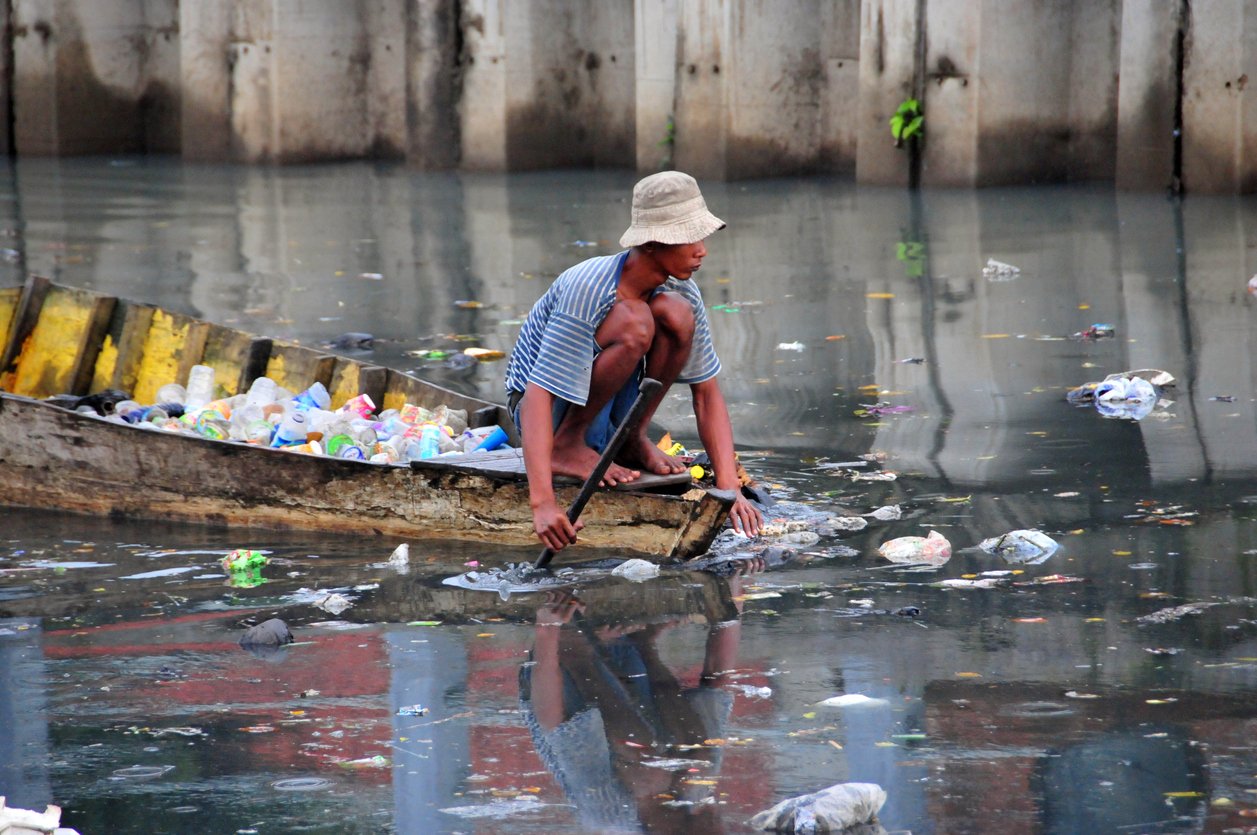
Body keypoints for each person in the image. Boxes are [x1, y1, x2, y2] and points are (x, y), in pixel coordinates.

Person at [504, 171, 763, 551]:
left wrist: (728, 490)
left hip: (605, 411)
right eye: (689, 238)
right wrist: (542, 503)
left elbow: (706, 393)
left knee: (674, 314)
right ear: (654, 243)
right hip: (544, 415)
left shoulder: (683, 290)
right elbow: (536, 395)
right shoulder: (589, 286)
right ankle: (568, 445)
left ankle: (629, 438)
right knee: (635, 321)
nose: (702, 250)